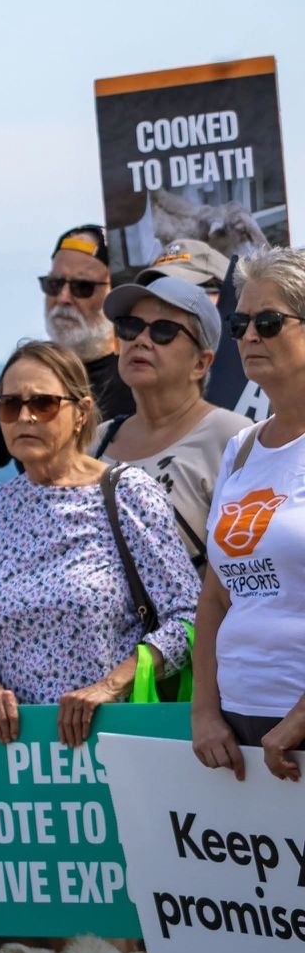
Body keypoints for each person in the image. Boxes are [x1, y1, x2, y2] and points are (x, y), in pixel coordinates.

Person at [0, 341, 199, 745]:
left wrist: (111, 687)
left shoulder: (127, 493)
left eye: (44, 403)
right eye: (9, 405)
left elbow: (189, 617)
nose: (25, 417)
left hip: (120, 742)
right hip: (22, 754)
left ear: (82, 412)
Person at [192, 247, 305, 784]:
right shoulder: (241, 449)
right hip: (238, 726)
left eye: (269, 322)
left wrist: (300, 718)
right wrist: (204, 712)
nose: (250, 337)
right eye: (240, 325)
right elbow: (216, 596)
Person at [92, 277, 247, 567]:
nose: (140, 340)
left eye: (163, 331)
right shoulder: (97, 440)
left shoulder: (233, 437)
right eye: (130, 326)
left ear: (201, 363)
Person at [0, 226, 134, 481]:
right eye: (54, 284)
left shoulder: (139, 372)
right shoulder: (26, 376)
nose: (63, 298)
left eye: (82, 287)